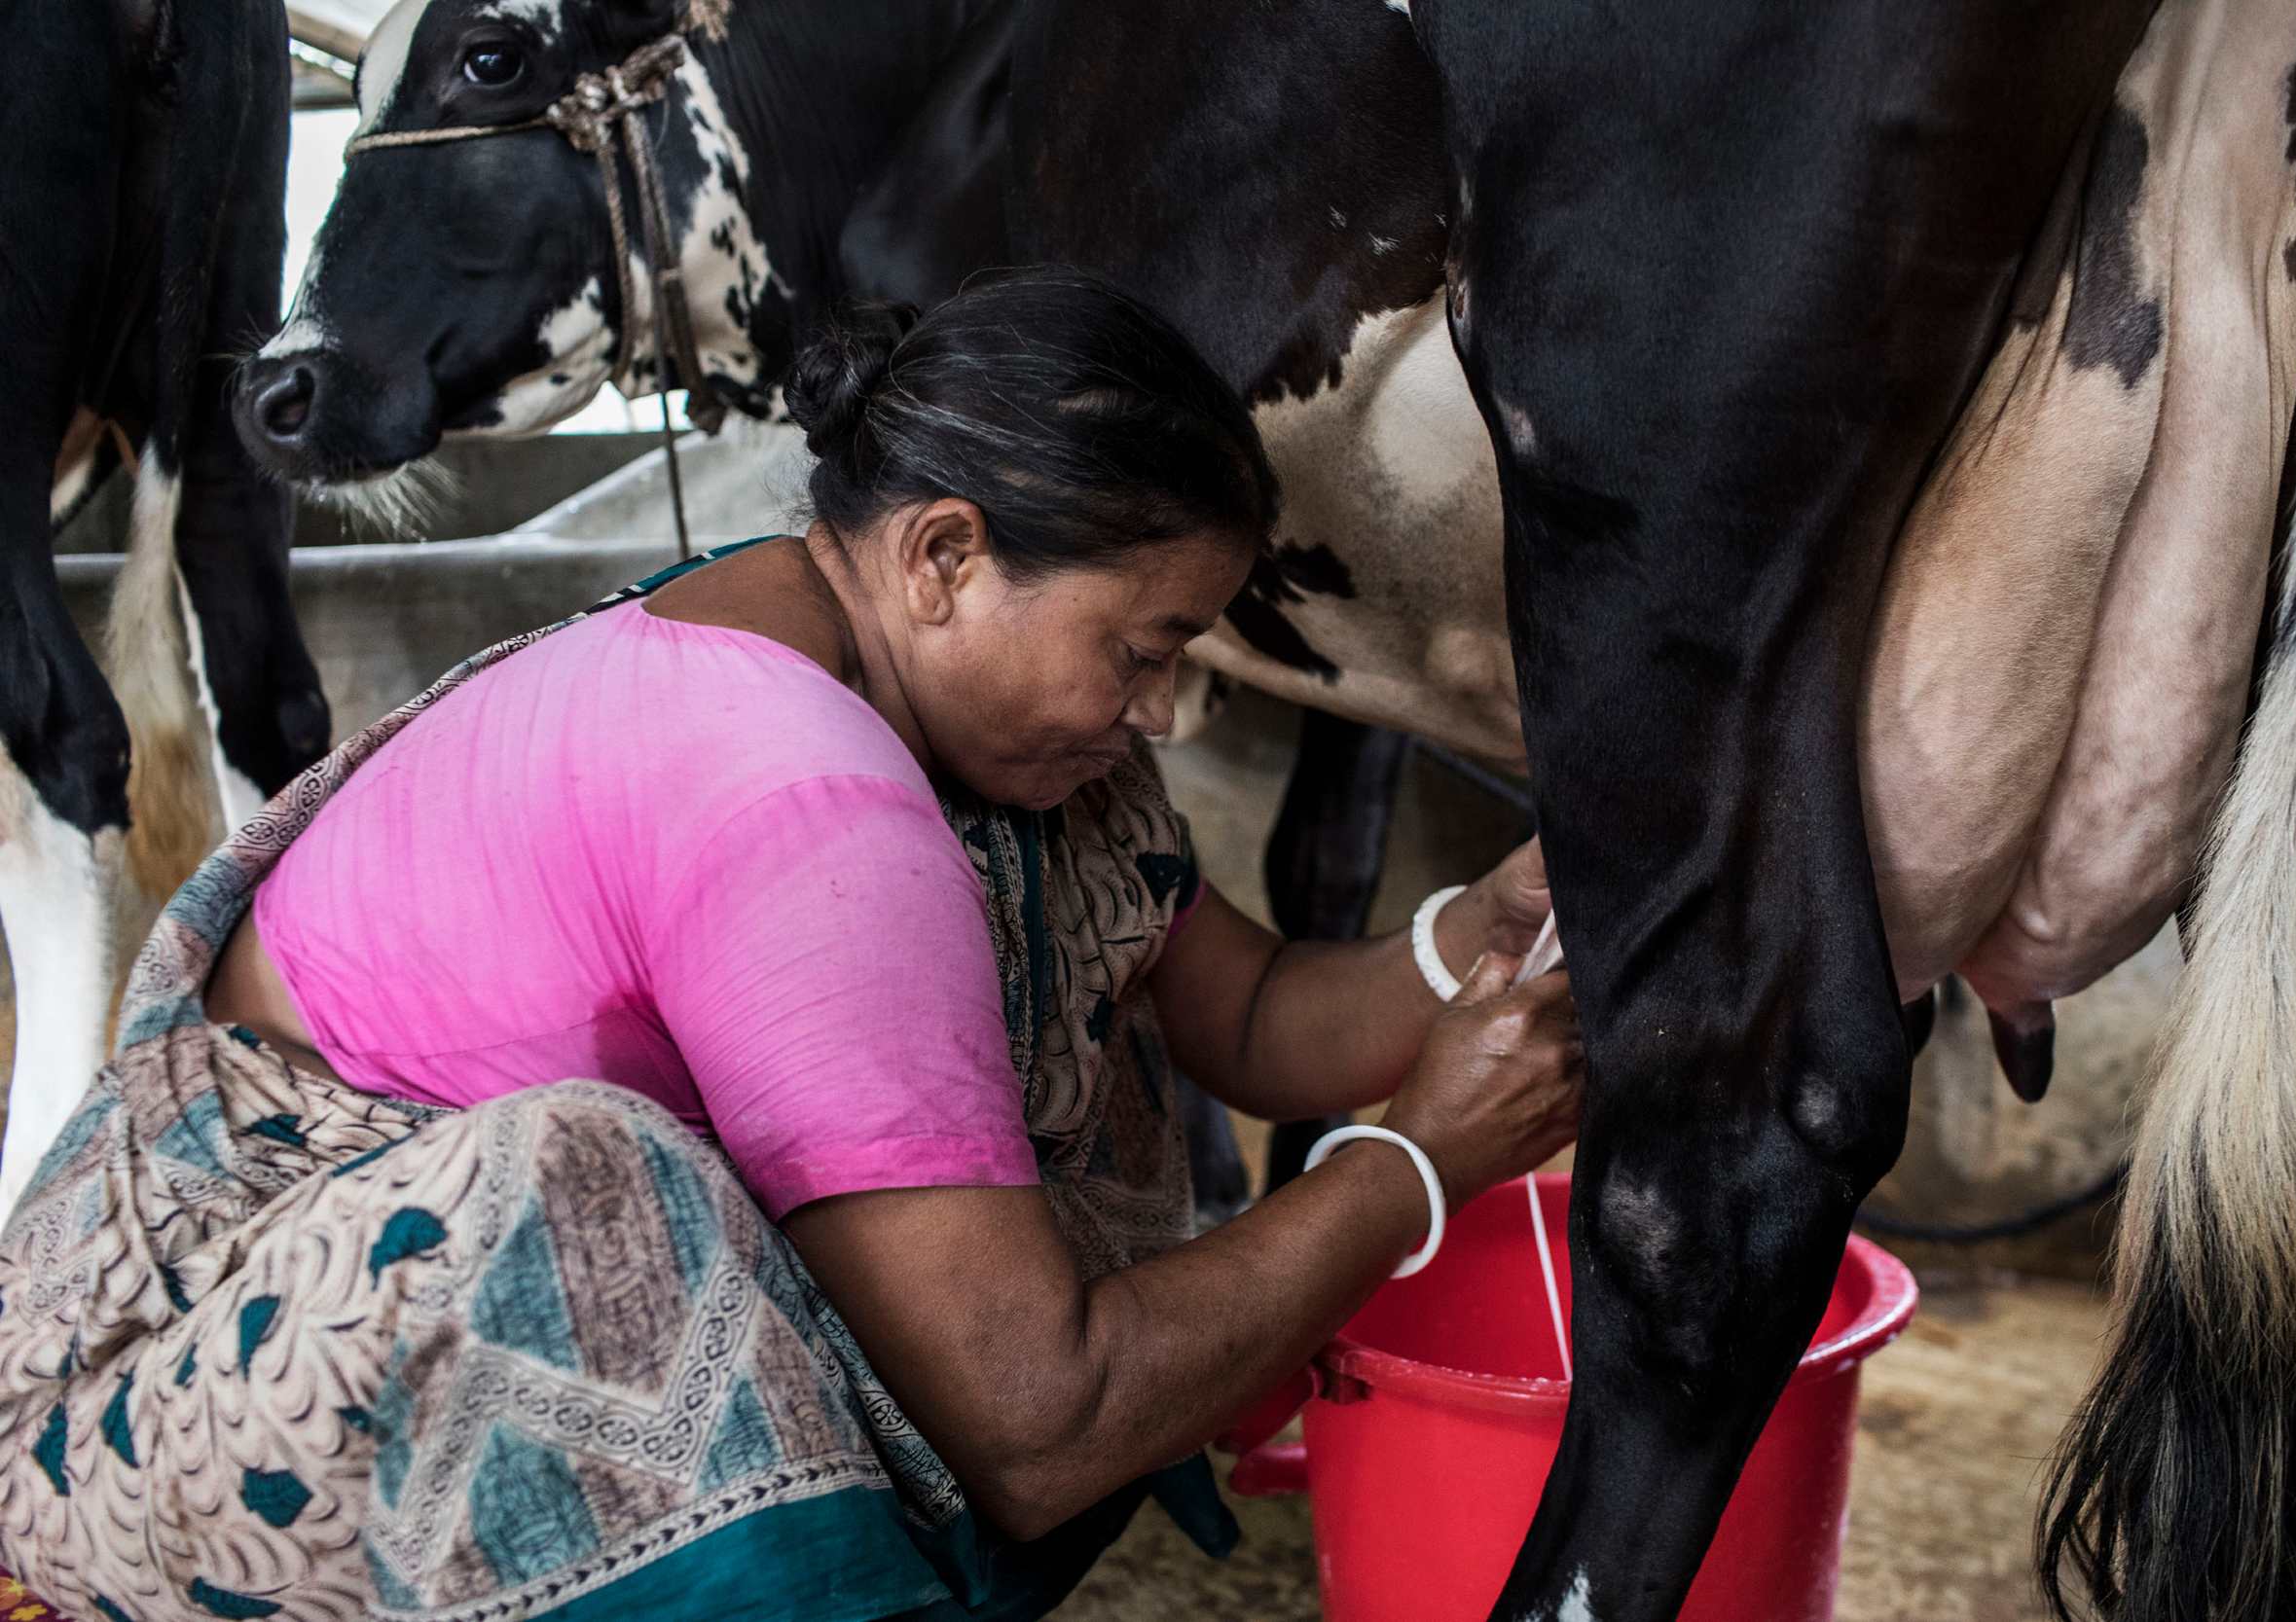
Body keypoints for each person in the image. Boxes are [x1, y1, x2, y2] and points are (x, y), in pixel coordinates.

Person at [0, 269, 1580, 1622]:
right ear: (945, 556)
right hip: (186, 1384)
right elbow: (1039, 1416)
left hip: (259, 1326)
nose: (1161, 708)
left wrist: (1476, 936)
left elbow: (1246, 1008)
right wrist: (1417, 1160)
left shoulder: (949, 704)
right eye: (1145, 647)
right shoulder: (798, 798)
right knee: (588, 1217)